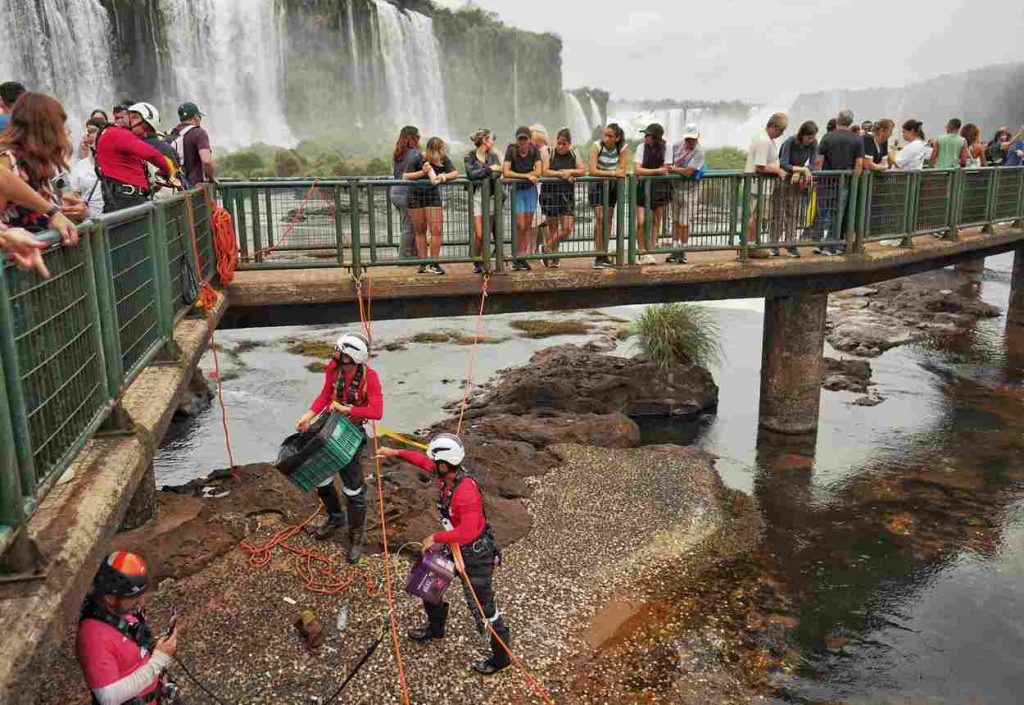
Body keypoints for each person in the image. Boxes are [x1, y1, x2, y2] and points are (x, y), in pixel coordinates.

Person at [377, 433, 511, 675]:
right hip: (455, 547)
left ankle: (502, 659)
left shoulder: (466, 492)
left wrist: (435, 538)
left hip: (476, 556)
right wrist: (395, 453)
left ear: (445, 465)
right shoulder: (445, 474)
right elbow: (422, 462)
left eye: (435, 462)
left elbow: (468, 530)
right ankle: (435, 629)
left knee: (484, 610)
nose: (431, 465)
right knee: (427, 584)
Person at [294, 332, 382, 563]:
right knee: (320, 476)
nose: (334, 353)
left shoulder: (369, 378)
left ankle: (356, 537)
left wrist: (348, 410)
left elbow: (377, 411)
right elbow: (325, 395)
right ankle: (335, 517)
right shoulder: (333, 370)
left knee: (353, 489)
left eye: (339, 351)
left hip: (350, 433)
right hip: (328, 426)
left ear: (349, 358)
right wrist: (309, 416)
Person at [76, 551, 179, 705]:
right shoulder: (93, 637)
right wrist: (158, 660)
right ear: (110, 598)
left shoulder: (120, 612)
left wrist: (158, 647)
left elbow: (131, 651)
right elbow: (108, 698)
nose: (141, 602)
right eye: (133, 598)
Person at [0, 93, 89, 233]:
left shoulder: (42, 165)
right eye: (60, 127)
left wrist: (77, 212)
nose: (65, 134)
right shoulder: (7, 161)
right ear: (45, 129)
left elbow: (54, 217)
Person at [94, 102, 173, 212]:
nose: (145, 135)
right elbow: (153, 154)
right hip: (128, 201)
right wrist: (166, 170)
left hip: (122, 199)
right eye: (145, 129)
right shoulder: (119, 134)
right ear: (134, 118)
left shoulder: (111, 133)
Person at [812, 108, 864, 255]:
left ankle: (817, 243)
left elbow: (818, 161)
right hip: (844, 183)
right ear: (851, 122)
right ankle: (830, 246)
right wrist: (854, 182)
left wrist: (817, 178)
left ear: (837, 120)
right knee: (837, 214)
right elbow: (859, 164)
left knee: (822, 213)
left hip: (825, 181)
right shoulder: (856, 139)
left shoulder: (827, 137)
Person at [404, 137, 458, 275]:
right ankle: (422, 263)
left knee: (437, 230)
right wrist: (423, 172)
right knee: (420, 230)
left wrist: (443, 177)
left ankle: (434, 262)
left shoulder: (443, 159)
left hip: (432, 196)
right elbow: (406, 176)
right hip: (415, 197)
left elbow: (455, 173)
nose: (443, 153)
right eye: (441, 150)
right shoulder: (417, 159)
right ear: (433, 151)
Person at [540, 127, 584, 267]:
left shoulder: (573, 153)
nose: (561, 146)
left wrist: (570, 171)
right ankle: (555, 258)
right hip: (550, 194)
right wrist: (562, 175)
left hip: (567, 195)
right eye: (559, 143)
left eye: (564, 143)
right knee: (553, 228)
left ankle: (546, 248)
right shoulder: (549, 152)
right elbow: (545, 171)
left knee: (567, 228)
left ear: (569, 144)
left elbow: (582, 170)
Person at [774, 120, 819, 258]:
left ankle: (791, 245)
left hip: (796, 180)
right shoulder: (790, 141)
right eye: (808, 138)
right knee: (778, 214)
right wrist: (801, 169)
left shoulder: (814, 144)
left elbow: (813, 164)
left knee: (793, 213)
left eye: (813, 138)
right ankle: (773, 245)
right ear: (802, 135)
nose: (810, 141)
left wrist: (799, 172)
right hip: (782, 179)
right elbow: (783, 163)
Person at [745, 112, 789, 253]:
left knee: (757, 216)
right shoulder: (764, 141)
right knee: (756, 217)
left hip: (759, 186)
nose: (781, 134)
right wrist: (778, 171)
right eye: (780, 130)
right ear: (772, 126)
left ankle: (752, 244)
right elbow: (760, 166)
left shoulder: (763, 137)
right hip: (759, 187)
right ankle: (751, 246)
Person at [587, 123, 627, 269]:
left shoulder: (622, 147)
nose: (606, 138)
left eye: (610, 136)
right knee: (600, 218)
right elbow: (592, 169)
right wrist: (611, 173)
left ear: (617, 138)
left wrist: (614, 173)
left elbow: (622, 168)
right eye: (605, 135)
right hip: (597, 185)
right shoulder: (596, 146)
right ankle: (598, 254)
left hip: (612, 187)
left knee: (608, 219)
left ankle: (604, 253)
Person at [502, 126, 542, 271]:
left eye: (525, 139)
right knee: (520, 224)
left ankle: (522, 257)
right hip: (517, 191)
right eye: (520, 139)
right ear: (517, 140)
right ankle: (516, 257)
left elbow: (539, 170)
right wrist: (526, 176)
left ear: (529, 140)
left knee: (527, 225)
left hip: (530, 191)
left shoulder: (534, 151)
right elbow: (506, 171)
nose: (523, 142)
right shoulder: (511, 151)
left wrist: (532, 175)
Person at [665, 123, 706, 264]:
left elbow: (690, 172)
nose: (690, 142)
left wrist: (674, 169)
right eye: (688, 139)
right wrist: (674, 168)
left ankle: (682, 250)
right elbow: (667, 165)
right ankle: (674, 249)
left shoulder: (699, 151)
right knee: (675, 220)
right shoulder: (676, 146)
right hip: (675, 189)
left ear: (698, 137)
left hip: (691, 190)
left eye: (692, 139)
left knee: (684, 222)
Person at [464, 128, 502, 274]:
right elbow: (470, 174)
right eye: (492, 139)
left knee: (486, 233)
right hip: (477, 197)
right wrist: (489, 170)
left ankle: (484, 262)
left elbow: (497, 173)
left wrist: (489, 171)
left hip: (491, 196)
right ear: (485, 140)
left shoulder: (493, 156)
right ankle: (475, 258)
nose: (493, 142)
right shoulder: (469, 156)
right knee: (479, 234)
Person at [634, 123, 671, 264]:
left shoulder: (667, 147)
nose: (645, 137)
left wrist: (648, 172)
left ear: (656, 137)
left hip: (659, 188)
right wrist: (656, 171)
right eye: (645, 135)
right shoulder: (641, 148)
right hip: (643, 187)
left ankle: (651, 250)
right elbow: (637, 169)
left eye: (648, 135)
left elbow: (666, 168)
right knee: (642, 222)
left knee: (656, 220)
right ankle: (641, 251)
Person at [166, 102, 214, 186]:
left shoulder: (170, 135)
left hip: (177, 191)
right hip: (197, 189)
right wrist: (211, 178)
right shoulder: (199, 133)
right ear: (196, 118)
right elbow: (206, 161)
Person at [391, 126, 421, 259]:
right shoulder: (414, 153)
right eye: (418, 136)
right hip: (407, 193)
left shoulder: (398, 152)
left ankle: (411, 255)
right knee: (409, 227)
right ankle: (403, 258)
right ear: (413, 137)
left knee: (407, 225)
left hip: (395, 192)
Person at [70, 116, 107, 218]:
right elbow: (74, 193)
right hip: (89, 222)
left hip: (111, 220)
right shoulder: (81, 165)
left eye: (92, 131)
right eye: (88, 132)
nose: (89, 136)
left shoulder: (115, 163)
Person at [530, 125, 550, 254]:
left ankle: (535, 249)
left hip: (539, 188)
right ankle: (538, 249)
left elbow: (542, 170)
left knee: (538, 221)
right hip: (539, 188)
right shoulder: (542, 150)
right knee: (540, 221)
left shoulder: (542, 151)